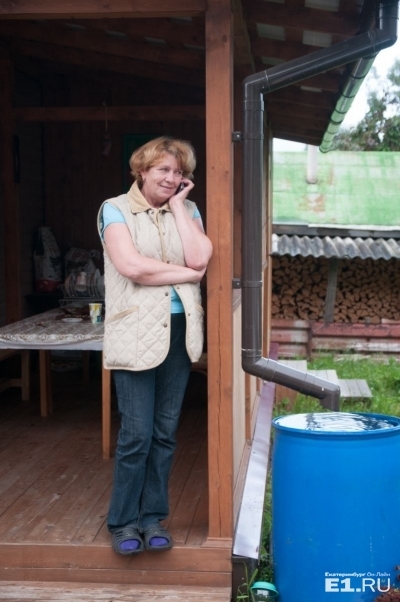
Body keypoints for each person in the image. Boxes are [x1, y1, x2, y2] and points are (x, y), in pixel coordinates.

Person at [97, 136, 213, 556]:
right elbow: (131, 267)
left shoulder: (188, 209)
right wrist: (183, 271)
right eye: (162, 169)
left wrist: (180, 206)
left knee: (165, 434)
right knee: (136, 435)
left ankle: (152, 518)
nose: (171, 177)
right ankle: (123, 522)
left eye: (179, 171)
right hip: (136, 334)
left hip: (181, 336)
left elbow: (201, 259)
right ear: (142, 170)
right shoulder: (115, 209)